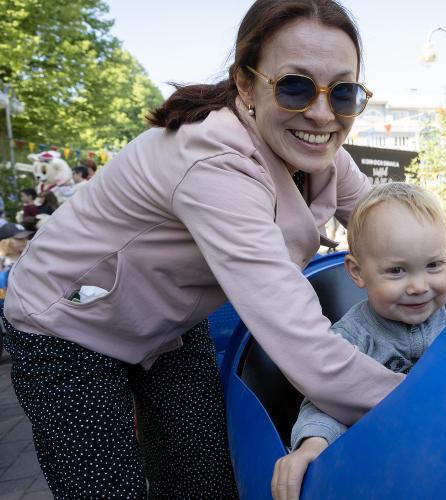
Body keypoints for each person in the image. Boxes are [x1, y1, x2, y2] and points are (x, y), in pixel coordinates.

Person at [1, 1, 404, 497]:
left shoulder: (325, 156)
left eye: (343, 92)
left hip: (165, 319)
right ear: (246, 83)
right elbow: (302, 343)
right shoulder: (213, 161)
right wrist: (430, 402)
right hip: (67, 323)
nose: (322, 114)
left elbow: (394, 229)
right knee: (106, 489)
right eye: (295, 85)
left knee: (205, 480)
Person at [271, 182, 446, 500]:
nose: (419, 286)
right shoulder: (349, 340)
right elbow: (325, 404)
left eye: (433, 265)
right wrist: (312, 445)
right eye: (396, 271)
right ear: (357, 272)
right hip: (390, 470)